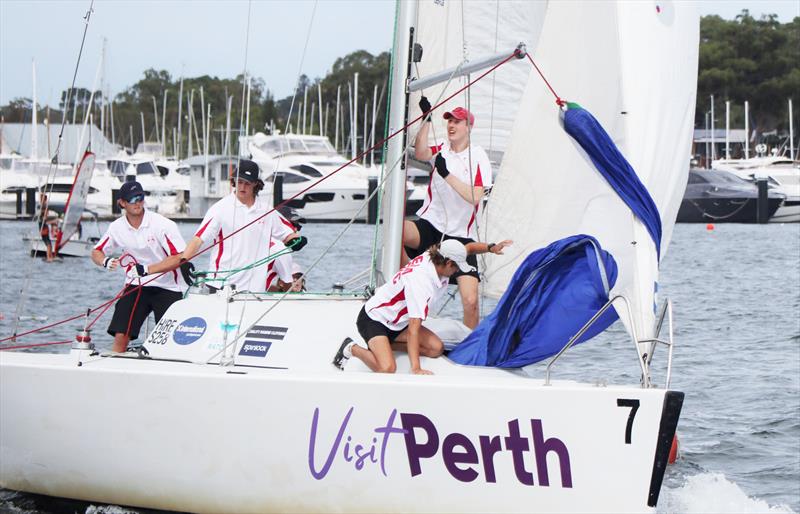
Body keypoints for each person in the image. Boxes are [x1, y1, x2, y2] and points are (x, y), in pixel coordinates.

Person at [403, 96, 510, 328]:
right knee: (397, 231)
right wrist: (426, 119)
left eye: (457, 122)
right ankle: (404, 283)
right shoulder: (441, 149)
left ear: (469, 127)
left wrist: (446, 175)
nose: (451, 125)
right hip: (431, 226)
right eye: (449, 121)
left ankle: (469, 347)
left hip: (461, 237)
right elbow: (421, 153)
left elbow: (475, 196)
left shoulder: (478, 156)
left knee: (471, 301)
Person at [333, 240, 475, 375]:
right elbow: (414, 328)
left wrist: (489, 248)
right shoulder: (421, 282)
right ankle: (352, 348)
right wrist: (416, 368)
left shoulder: (432, 256)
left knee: (436, 349)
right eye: (457, 267)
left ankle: (384, 345)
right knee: (387, 368)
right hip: (375, 319)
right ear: (448, 263)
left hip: (399, 324)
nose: (457, 271)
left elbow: (467, 249)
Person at [181, 159, 306, 292]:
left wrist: (297, 240)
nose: (242, 187)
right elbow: (198, 239)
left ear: (256, 184)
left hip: (254, 291)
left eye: (247, 183)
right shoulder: (220, 208)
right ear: (234, 181)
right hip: (220, 286)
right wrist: (184, 260)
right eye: (239, 182)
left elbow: (288, 235)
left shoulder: (267, 211)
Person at [91, 181, 187, 353]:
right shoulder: (116, 227)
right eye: (132, 198)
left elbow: (180, 257)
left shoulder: (163, 225)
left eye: (140, 197)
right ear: (122, 203)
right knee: (121, 334)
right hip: (137, 285)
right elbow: (96, 251)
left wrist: (147, 270)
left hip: (168, 286)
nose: (137, 202)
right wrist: (104, 261)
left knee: (168, 339)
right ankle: (117, 368)